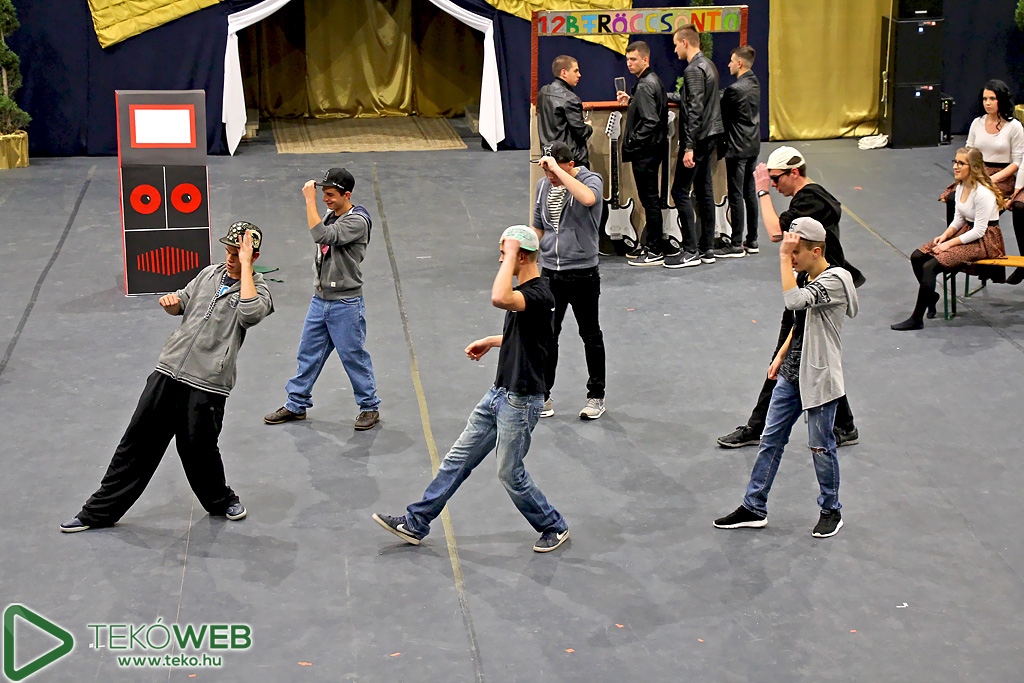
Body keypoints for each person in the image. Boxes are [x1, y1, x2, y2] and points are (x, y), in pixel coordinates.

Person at [60, 223, 274, 532]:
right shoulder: (208, 275)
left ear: (254, 256)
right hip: (168, 371)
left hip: (208, 382)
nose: (229, 258)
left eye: (236, 254)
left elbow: (250, 314)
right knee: (136, 443)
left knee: (199, 449)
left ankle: (221, 501)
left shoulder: (258, 289)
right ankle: (96, 513)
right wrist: (173, 304)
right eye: (228, 252)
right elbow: (183, 301)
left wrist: (245, 268)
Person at [373, 226, 570, 554]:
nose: (500, 260)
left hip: (521, 402)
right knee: (457, 460)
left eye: (504, 254)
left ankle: (554, 525)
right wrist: (492, 341)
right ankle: (416, 521)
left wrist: (511, 252)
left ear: (521, 257)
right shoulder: (528, 293)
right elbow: (530, 338)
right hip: (498, 395)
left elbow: (499, 298)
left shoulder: (539, 294)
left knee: (509, 473)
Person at [714, 218, 858, 538]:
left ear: (816, 251)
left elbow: (794, 301)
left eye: (796, 252)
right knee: (770, 439)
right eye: (789, 253)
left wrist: (781, 257)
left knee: (821, 447)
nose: (791, 258)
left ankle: (831, 510)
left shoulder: (835, 280)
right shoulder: (807, 276)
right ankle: (754, 506)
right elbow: (800, 320)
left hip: (819, 378)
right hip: (792, 374)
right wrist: (781, 355)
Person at [716, 147, 862, 449]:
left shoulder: (809, 200)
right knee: (813, 357)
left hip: (816, 293)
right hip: (815, 287)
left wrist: (760, 191)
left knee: (786, 358)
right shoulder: (813, 197)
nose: (774, 184)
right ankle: (845, 425)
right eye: (770, 179)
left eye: (776, 178)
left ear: (794, 172)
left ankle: (757, 427)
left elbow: (774, 232)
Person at [264, 168, 382, 431]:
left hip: (345, 303)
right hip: (321, 299)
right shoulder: (331, 215)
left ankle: (369, 406)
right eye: (323, 194)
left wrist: (309, 200)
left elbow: (322, 236)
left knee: (353, 356)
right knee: (308, 353)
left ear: (347, 195)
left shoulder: (357, 221)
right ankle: (296, 404)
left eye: (330, 195)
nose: (325, 199)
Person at [532, 141, 606, 420]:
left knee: (590, 334)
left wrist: (559, 173)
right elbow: (539, 227)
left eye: (553, 170)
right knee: (547, 335)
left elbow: (588, 199)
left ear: (570, 165)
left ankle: (596, 396)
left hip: (583, 272)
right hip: (551, 273)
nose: (549, 176)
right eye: (545, 170)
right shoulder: (543, 187)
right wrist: (521, 248)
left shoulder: (591, 180)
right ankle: (543, 396)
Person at [893, 147, 1006, 330]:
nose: (956, 166)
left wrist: (948, 245)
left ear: (973, 167)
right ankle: (931, 297)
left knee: (930, 266)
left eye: (961, 163)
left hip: (984, 241)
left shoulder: (983, 193)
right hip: (966, 231)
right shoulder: (961, 186)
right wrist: (944, 236)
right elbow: (959, 218)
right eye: (955, 162)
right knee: (917, 256)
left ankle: (917, 318)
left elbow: (979, 231)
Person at [938, 80, 1024, 284]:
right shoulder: (977, 123)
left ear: (1001, 100)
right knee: (952, 198)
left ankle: (1018, 261)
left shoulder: (1014, 127)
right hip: (977, 171)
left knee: (1018, 207)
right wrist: (971, 176)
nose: (988, 103)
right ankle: (957, 250)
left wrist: (992, 179)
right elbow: (968, 152)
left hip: (1003, 176)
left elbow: (1017, 162)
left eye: (992, 98)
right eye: (985, 99)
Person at [665, 24, 724, 268]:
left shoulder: (692, 70)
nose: (675, 50)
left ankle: (690, 249)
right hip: (710, 136)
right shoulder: (708, 66)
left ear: (685, 43)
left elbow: (694, 109)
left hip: (697, 139)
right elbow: (689, 99)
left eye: (676, 45)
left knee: (680, 191)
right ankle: (707, 248)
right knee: (704, 190)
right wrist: (662, 95)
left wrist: (688, 146)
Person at [616, 41, 669, 267]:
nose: (629, 63)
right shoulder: (649, 82)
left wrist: (632, 141)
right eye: (627, 59)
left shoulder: (646, 85)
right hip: (651, 150)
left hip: (645, 152)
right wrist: (632, 102)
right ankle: (652, 244)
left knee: (650, 200)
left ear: (645, 60)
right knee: (650, 200)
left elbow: (651, 121)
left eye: (634, 59)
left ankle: (655, 249)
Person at [714, 45, 761, 259]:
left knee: (736, 194)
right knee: (749, 193)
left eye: (732, 61)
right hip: (752, 145)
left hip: (737, 146)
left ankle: (735, 243)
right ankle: (752, 240)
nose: (728, 65)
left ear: (740, 63)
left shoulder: (735, 90)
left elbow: (721, 109)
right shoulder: (754, 82)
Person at [537, 55, 593, 168]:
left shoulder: (543, 92)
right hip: (570, 160)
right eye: (575, 71)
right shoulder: (570, 99)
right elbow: (581, 132)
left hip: (548, 155)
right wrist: (588, 127)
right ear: (564, 73)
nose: (579, 75)